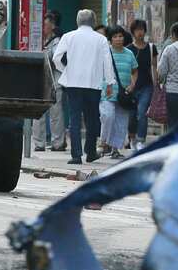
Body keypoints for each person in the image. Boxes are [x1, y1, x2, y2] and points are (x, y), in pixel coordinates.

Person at [52, 9, 112, 164]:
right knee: (92, 119)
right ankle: (91, 152)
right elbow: (108, 62)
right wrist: (110, 82)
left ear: (77, 21)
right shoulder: (101, 39)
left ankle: (76, 155)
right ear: (93, 22)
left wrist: (65, 71)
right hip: (94, 84)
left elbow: (56, 58)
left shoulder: (68, 36)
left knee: (74, 119)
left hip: (73, 84)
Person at [102, 26, 137, 160]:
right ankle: (103, 143)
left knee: (121, 122)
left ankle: (115, 149)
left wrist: (132, 84)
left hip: (124, 95)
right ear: (110, 39)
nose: (118, 39)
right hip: (108, 92)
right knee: (108, 116)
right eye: (115, 36)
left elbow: (135, 71)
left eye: (120, 36)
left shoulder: (129, 54)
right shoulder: (106, 53)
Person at [34, 10, 65, 152]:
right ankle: (39, 143)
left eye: (45, 24)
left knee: (56, 114)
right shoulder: (39, 40)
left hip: (55, 81)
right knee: (38, 113)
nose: (43, 27)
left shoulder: (58, 42)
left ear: (52, 26)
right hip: (40, 80)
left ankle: (57, 142)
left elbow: (55, 60)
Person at [125, 19, 157, 150]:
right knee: (132, 115)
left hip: (147, 86)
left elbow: (154, 67)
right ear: (133, 32)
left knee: (142, 111)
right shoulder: (128, 49)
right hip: (132, 86)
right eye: (137, 30)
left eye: (142, 29)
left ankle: (141, 139)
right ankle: (131, 138)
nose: (140, 32)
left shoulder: (151, 48)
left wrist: (156, 85)